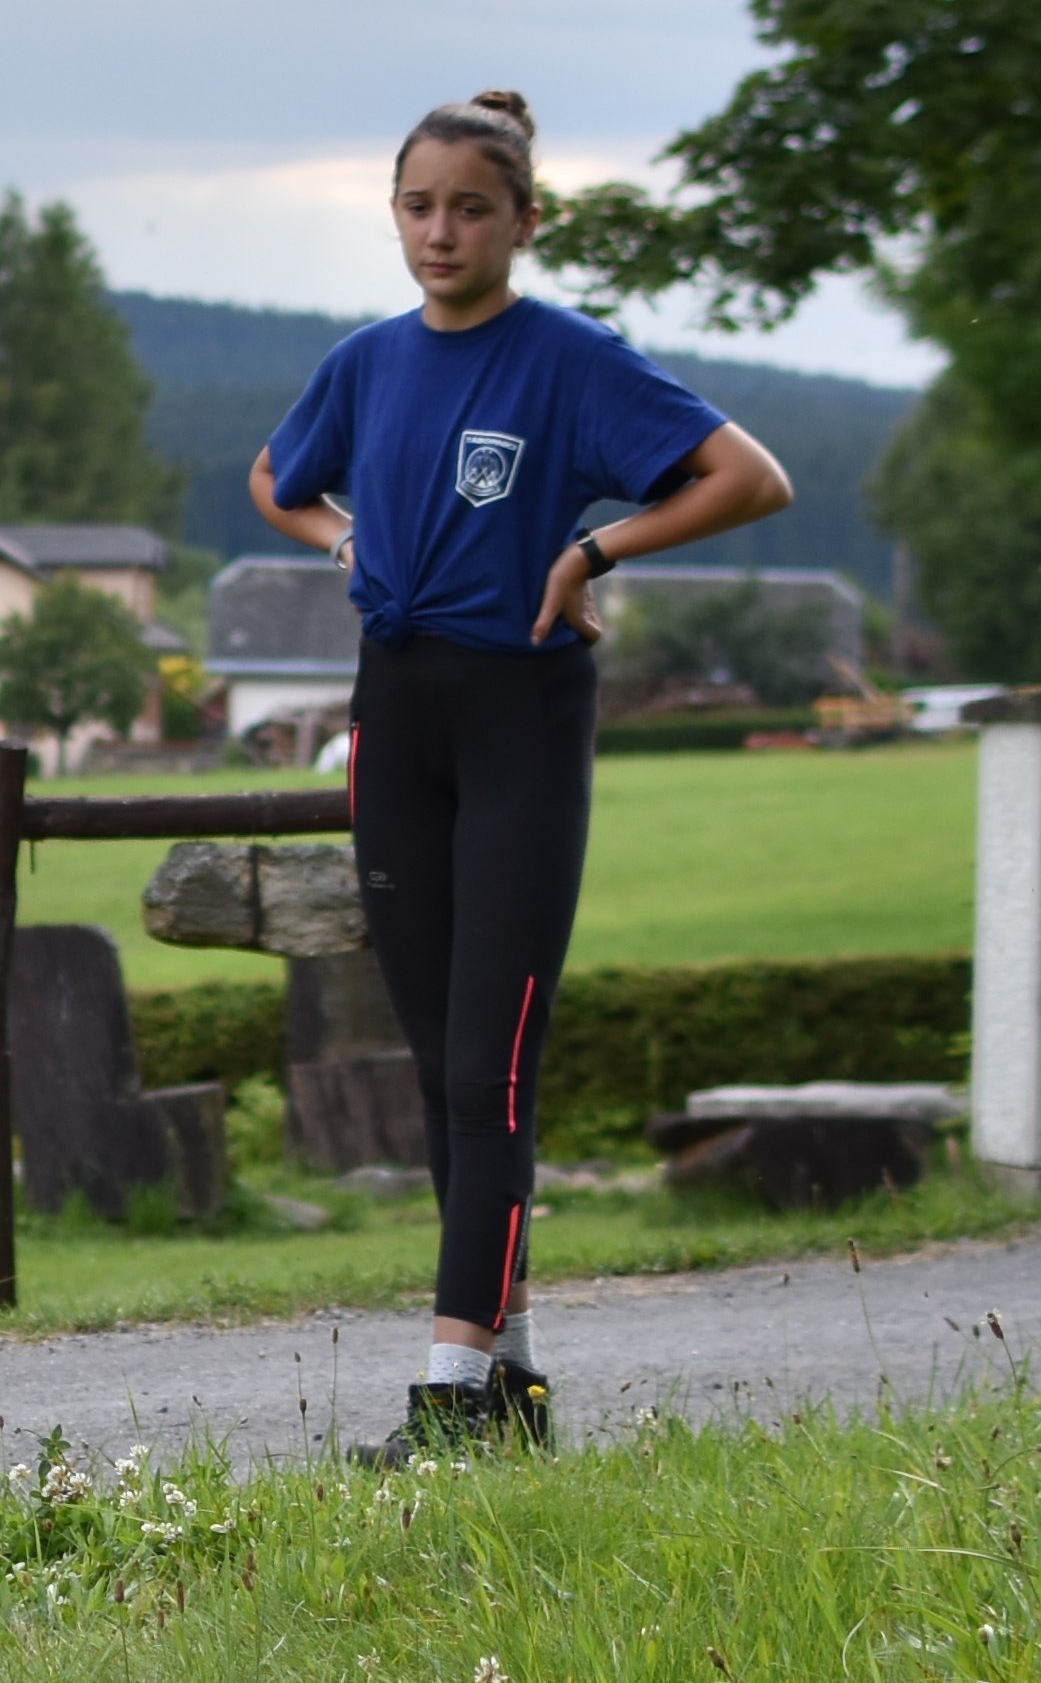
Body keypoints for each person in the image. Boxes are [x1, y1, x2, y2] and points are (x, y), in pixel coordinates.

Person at [250, 89, 791, 1460]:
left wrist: (594, 550)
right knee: (443, 1065)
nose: (442, 232)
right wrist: (342, 541)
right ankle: (510, 1390)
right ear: (394, 214)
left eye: (472, 209)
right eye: (419, 206)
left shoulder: (569, 360)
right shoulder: (368, 363)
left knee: (492, 1067)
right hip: (397, 713)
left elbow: (749, 477)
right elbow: (276, 479)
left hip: (520, 719)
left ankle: (447, 1397)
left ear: (524, 223)